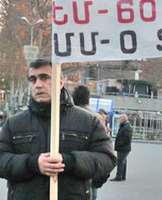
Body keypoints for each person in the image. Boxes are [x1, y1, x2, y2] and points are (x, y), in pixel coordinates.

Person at [0, 58, 116, 199]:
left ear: (60, 82)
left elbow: (107, 159)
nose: (38, 85)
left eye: (45, 78)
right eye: (33, 79)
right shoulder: (14, 123)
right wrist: (32, 164)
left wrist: (70, 162)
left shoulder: (87, 121)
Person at [72, 85, 109, 199]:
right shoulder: (96, 117)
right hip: (89, 166)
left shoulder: (65, 115)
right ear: (88, 100)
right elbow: (103, 148)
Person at [110, 114, 132, 182]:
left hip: (123, 148)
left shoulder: (126, 127)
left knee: (120, 162)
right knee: (123, 162)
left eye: (119, 119)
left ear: (123, 119)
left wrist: (119, 144)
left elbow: (127, 139)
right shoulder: (124, 126)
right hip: (123, 147)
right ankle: (122, 176)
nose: (118, 120)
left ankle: (119, 176)